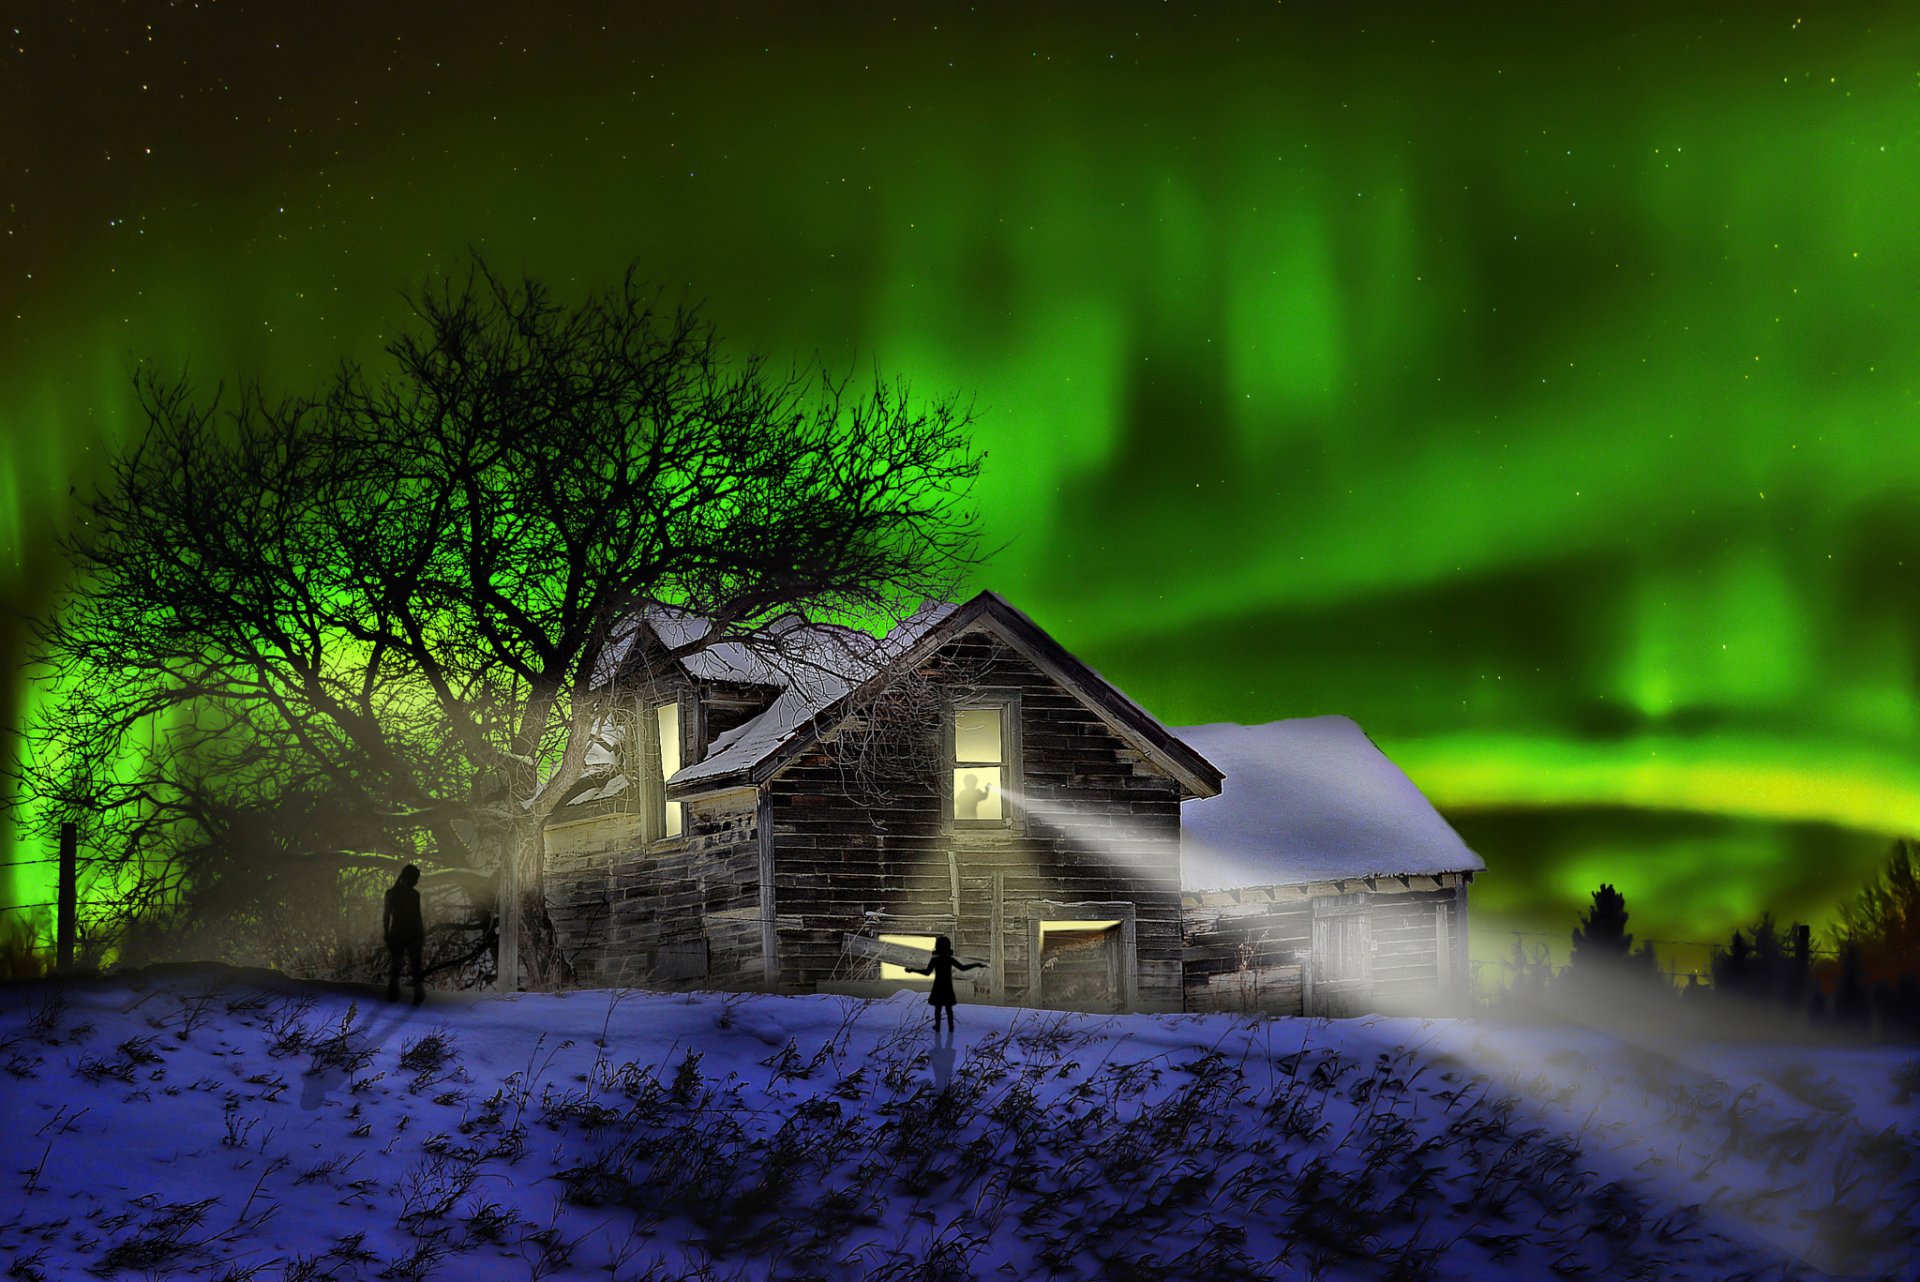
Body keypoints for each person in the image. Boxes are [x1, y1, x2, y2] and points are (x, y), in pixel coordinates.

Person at [907, 935, 985, 1032]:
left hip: (938, 986)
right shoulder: (949, 959)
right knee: (948, 1008)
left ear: (937, 947)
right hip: (947, 986)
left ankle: (938, 1026)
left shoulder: (935, 960)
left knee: (938, 1008)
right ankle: (950, 1027)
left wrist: (913, 970)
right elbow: (963, 968)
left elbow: (927, 972)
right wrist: (976, 964)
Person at [384, 864, 426, 1005]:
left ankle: (395, 994)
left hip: (400, 933)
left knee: (399, 965)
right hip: (409, 933)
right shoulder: (412, 895)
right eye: (415, 878)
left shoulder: (392, 894)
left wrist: (386, 933)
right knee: (411, 966)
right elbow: (416, 917)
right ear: (409, 877)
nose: (416, 881)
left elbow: (387, 916)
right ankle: (415, 995)